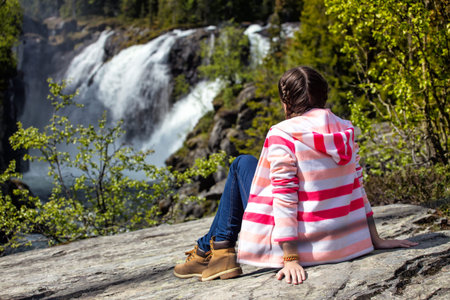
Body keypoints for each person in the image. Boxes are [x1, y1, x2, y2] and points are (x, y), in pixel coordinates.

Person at [173, 66, 418, 284]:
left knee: (241, 163)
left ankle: (215, 250)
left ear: (286, 102)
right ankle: (214, 250)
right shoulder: (346, 129)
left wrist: (289, 258)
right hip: (348, 244)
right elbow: (357, 187)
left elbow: (285, 197)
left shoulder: (283, 133)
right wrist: (375, 240)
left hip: (303, 249)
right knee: (250, 167)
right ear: (324, 97)